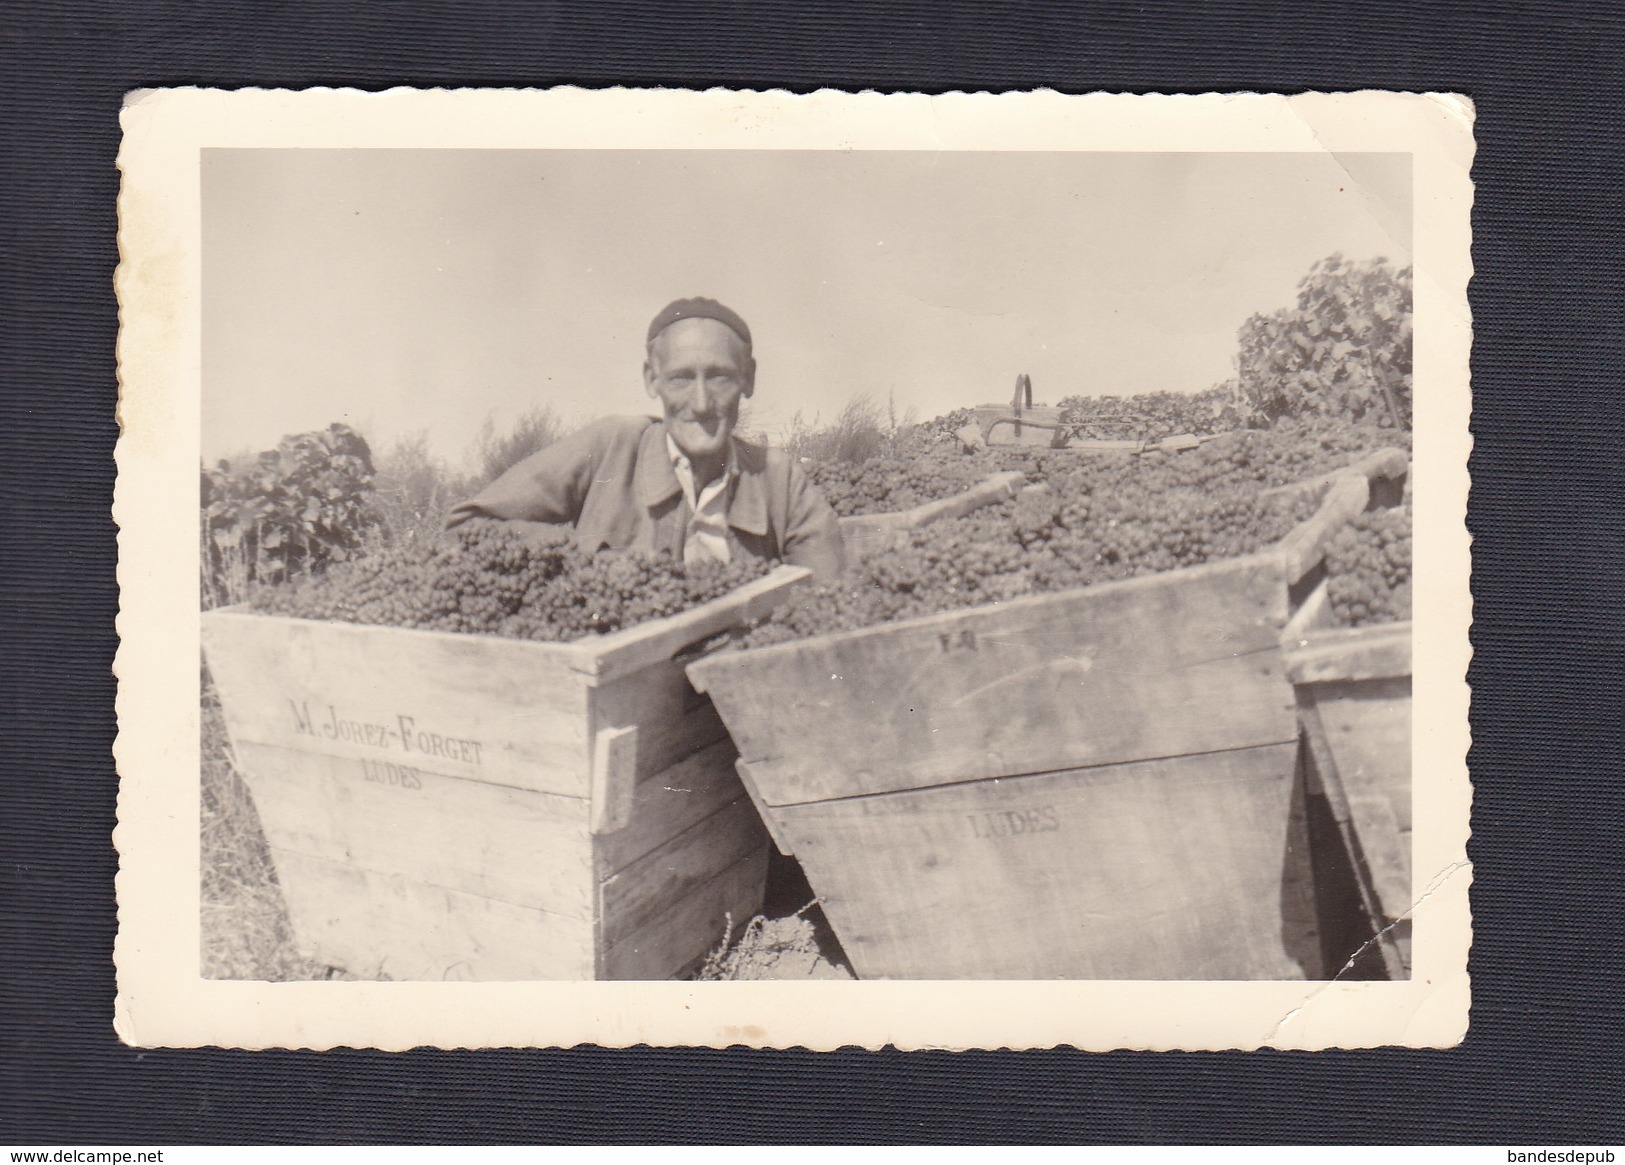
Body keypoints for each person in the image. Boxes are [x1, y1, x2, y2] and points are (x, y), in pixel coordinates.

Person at [446, 297, 846, 578]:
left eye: (719, 376)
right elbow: (469, 526)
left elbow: (826, 603)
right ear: (652, 381)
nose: (702, 403)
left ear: (748, 379)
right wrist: (583, 562)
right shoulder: (611, 448)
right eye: (681, 378)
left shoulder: (779, 479)